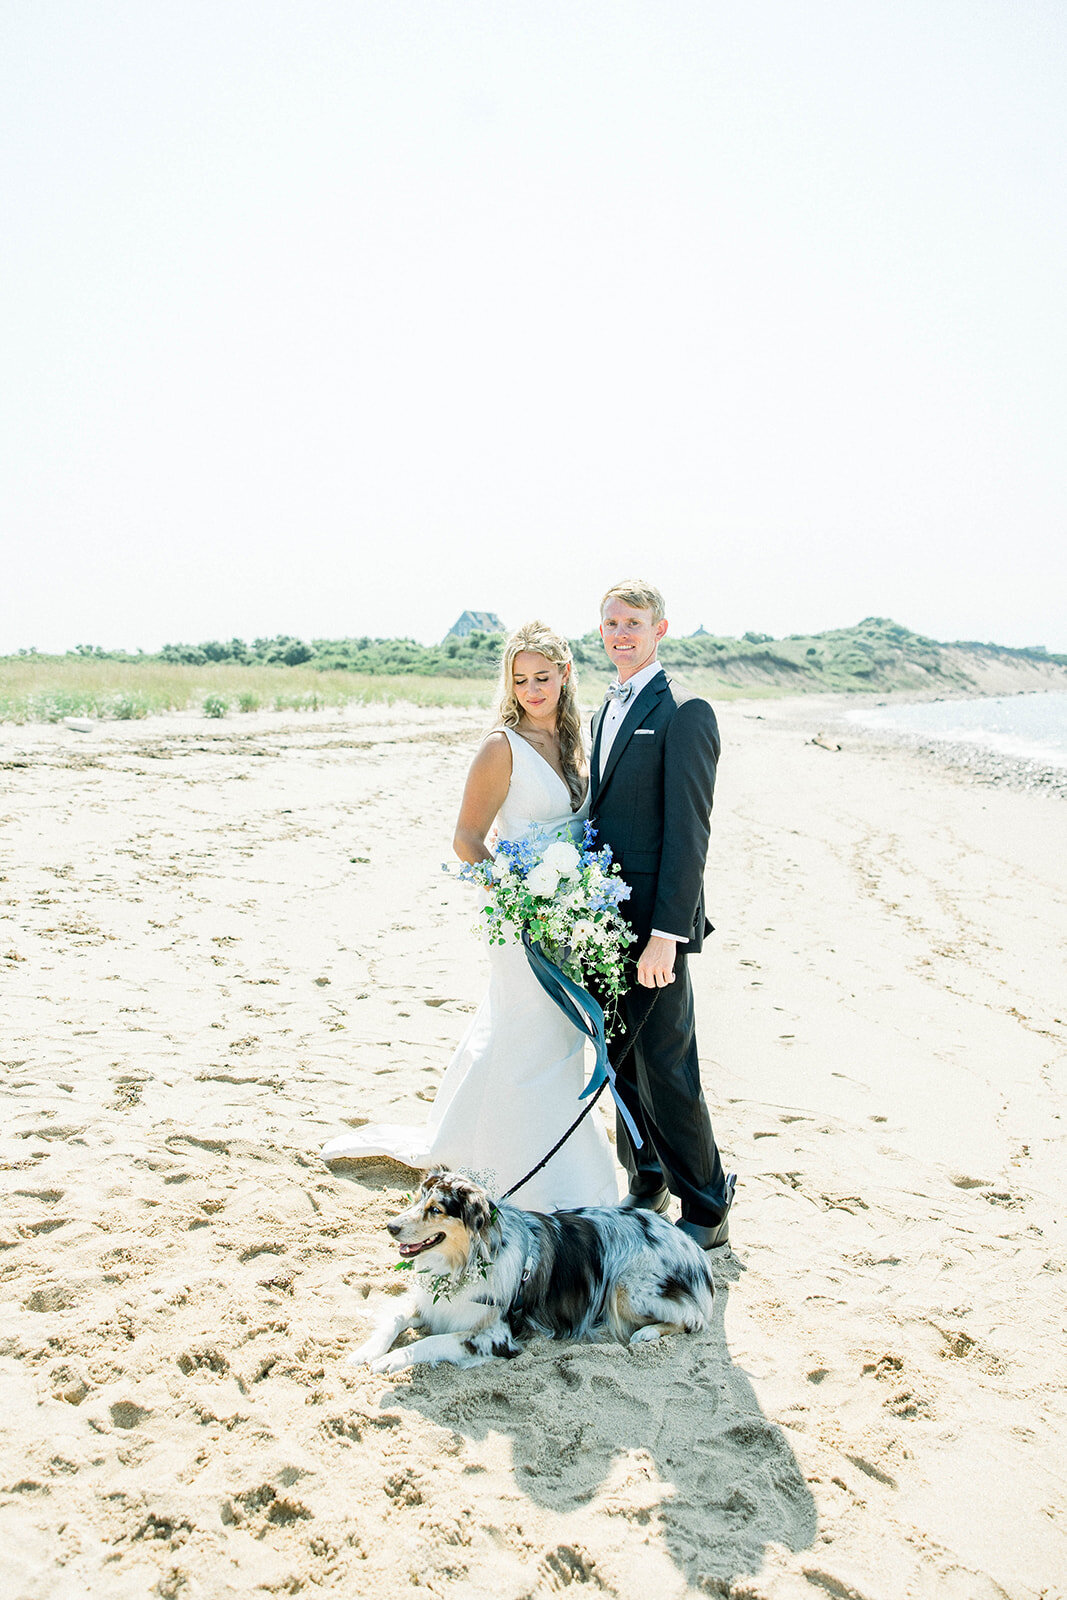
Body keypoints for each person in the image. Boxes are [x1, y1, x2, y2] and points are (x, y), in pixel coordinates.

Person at [321, 621, 618, 1211]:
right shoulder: (499, 747)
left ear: (565, 675)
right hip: (518, 917)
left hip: (570, 914)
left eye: (543, 676)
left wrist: (579, 896)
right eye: (521, 679)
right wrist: (515, 897)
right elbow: (466, 838)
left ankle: (522, 1146)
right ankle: (519, 1168)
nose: (533, 689)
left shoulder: (579, 742)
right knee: (527, 1033)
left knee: (558, 1038)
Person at [589, 579, 736, 1249]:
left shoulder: (684, 711)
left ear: (660, 630)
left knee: (668, 1065)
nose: (622, 633)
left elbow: (688, 836)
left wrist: (666, 937)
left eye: (634, 622)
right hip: (600, 921)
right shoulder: (601, 713)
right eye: (611, 622)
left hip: (654, 930)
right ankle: (644, 1180)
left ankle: (706, 1203)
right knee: (617, 1057)